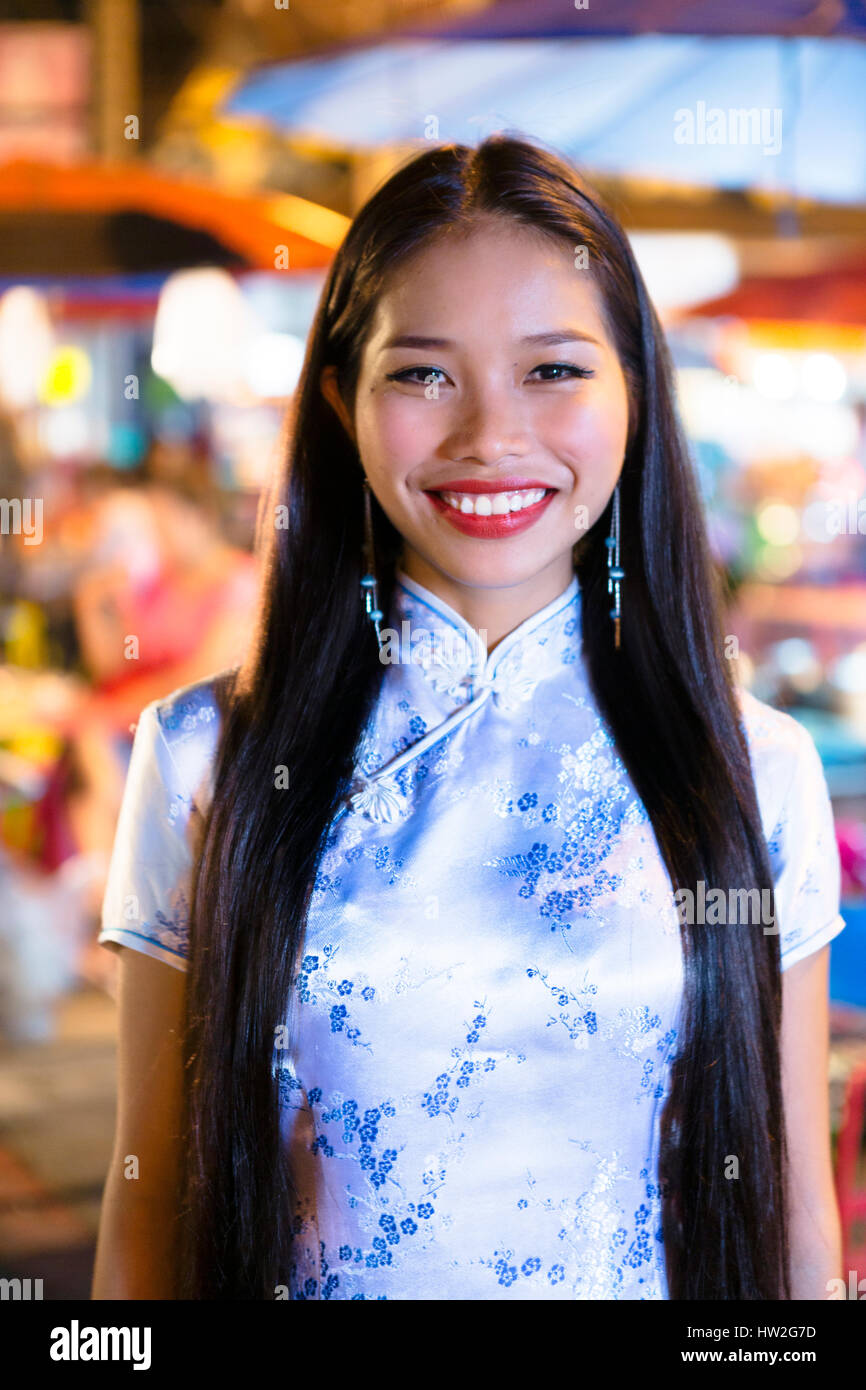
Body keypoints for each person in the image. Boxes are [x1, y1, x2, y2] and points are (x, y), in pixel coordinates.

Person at [91, 135, 846, 1301]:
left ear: (634, 390)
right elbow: (147, 1201)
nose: (488, 435)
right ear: (342, 399)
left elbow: (791, 1216)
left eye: (552, 370)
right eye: (423, 373)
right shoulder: (206, 757)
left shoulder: (754, 771)